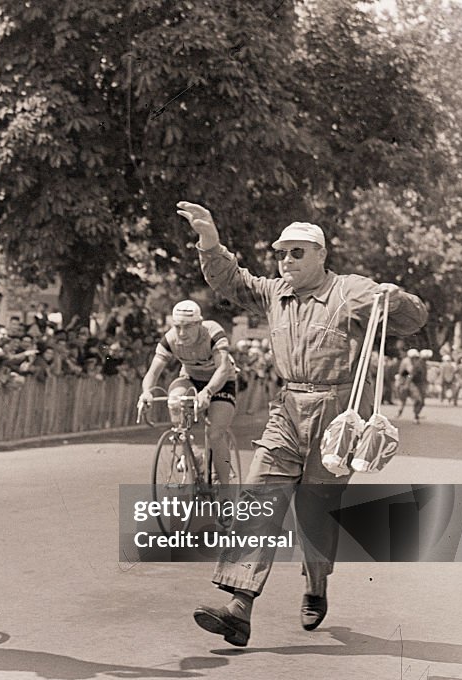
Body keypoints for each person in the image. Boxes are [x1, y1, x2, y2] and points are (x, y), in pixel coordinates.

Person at [176, 203, 428, 647]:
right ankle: (239, 605)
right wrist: (210, 242)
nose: (286, 262)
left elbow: (410, 321)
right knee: (260, 495)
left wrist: (398, 298)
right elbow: (231, 282)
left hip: (339, 418)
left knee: (315, 514)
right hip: (288, 408)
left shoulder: (352, 291)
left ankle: (316, 583)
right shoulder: (275, 293)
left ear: (320, 256)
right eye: (282, 254)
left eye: (296, 253)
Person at [138, 299, 237, 485]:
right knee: (174, 400)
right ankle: (191, 452)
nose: (182, 333)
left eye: (188, 327)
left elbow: (223, 369)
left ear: (199, 324)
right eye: (177, 327)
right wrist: (146, 393)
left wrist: (208, 392)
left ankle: (225, 489)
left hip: (221, 382)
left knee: (215, 434)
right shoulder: (170, 339)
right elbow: (153, 372)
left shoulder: (213, 332)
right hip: (191, 378)